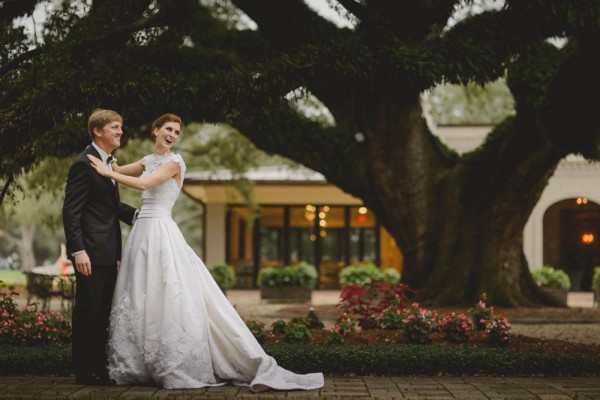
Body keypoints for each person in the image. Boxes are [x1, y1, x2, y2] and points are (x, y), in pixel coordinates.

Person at [87, 113, 324, 391]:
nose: (172, 135)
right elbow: (123, 169)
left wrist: (108, 172)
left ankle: (172, 360)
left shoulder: (175, 162)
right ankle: (137, 362)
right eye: (168, 129)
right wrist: (107, 163)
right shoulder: (148, 161)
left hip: (162, 231)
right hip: (141, 233)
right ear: (155, 131)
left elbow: (143, 184)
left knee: (169, 291)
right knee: (141, 292)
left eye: (177, 132)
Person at [62, 109, 137, 385]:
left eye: (120, 127)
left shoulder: (106, 162)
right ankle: (86, 372)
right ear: (98, 131)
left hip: (107, 252)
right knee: (88, 313)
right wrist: (78, 250)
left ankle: (98, 368)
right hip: (91, 253)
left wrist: (142, 216)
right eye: (115, 127)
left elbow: (110, 208)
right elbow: (71, 212)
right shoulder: (84, 163)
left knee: (101, 312)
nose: (120, 132)